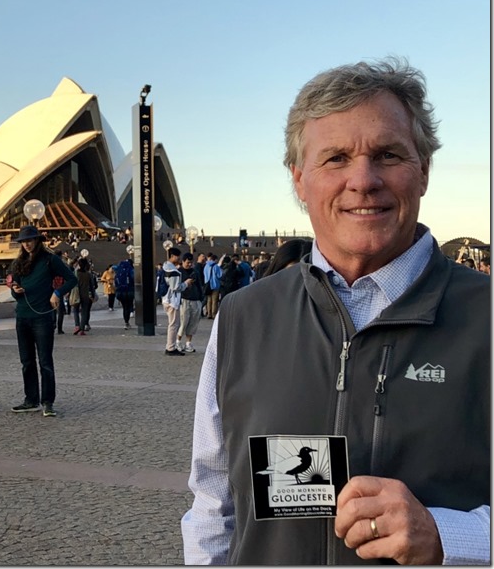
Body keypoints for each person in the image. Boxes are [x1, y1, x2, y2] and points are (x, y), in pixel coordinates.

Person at [181, 59, 490, 565]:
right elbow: (215, 505)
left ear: (424, 171)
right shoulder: (242, 318)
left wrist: (446, 536)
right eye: (336, 159)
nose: (363, 180)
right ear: (300, 180)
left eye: (388, 154)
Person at [8, 225, 76, 417]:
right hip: (23, 316)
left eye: (30, 240)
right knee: (26, 361)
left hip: (42, 317)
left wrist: (57, 293)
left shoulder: (50, 260)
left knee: (45, 361)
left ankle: (47, 402)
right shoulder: (19, 262)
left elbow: (71, 279)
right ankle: (31, 399)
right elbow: (15, 286)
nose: (27, 244)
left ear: (37, 240)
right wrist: (16, 290)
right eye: (24, 241)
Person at [162, 247, 192, 356]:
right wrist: (186, 283)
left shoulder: (165, 267)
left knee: (173, 323)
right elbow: (176, 287)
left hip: (166, 298)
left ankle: (170, 346)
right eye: (177, 256)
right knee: (174, 324)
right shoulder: (172, 270)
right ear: (173, 256)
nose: (178, 258)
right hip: (172, 300)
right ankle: (171, 347)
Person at [176, 252, 203, 353]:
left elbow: (200, 285)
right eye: (187, 262)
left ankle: (188, 342)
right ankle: (178, 341)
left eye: (191, 262)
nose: (189, 264)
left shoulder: (195, 272)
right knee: (183, 321)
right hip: (184, 299)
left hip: (195, 299)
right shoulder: (179, 272)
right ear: (183, 262)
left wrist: (201, 297)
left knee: (193, 322)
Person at [71, 257, 94, 336]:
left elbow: (71, 283)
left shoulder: (76, 273)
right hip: (85, 295)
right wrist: (93, 295)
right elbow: (91, 286)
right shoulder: (88, 274)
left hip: (76, 294)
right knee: (84, 312)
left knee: (76, 311)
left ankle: (77, 326)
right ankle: (82, 329)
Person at [114, 254, 135, 330]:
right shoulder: (131, 270)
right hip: (129, 291)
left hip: (120, 292)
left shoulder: (119, 271)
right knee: (128, 306)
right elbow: (134, 279)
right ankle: (127, 321)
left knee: (124, 307)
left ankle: (126, 322)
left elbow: (115, 282)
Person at [202, 254, 222, 320]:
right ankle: (214, 314)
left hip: (207, 285)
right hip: (215, 285)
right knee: (214, 300)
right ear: (215, 259)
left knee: (209, 300)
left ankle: (209, 313)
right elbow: (219, 275)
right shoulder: (216, 266)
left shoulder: (206, 266)